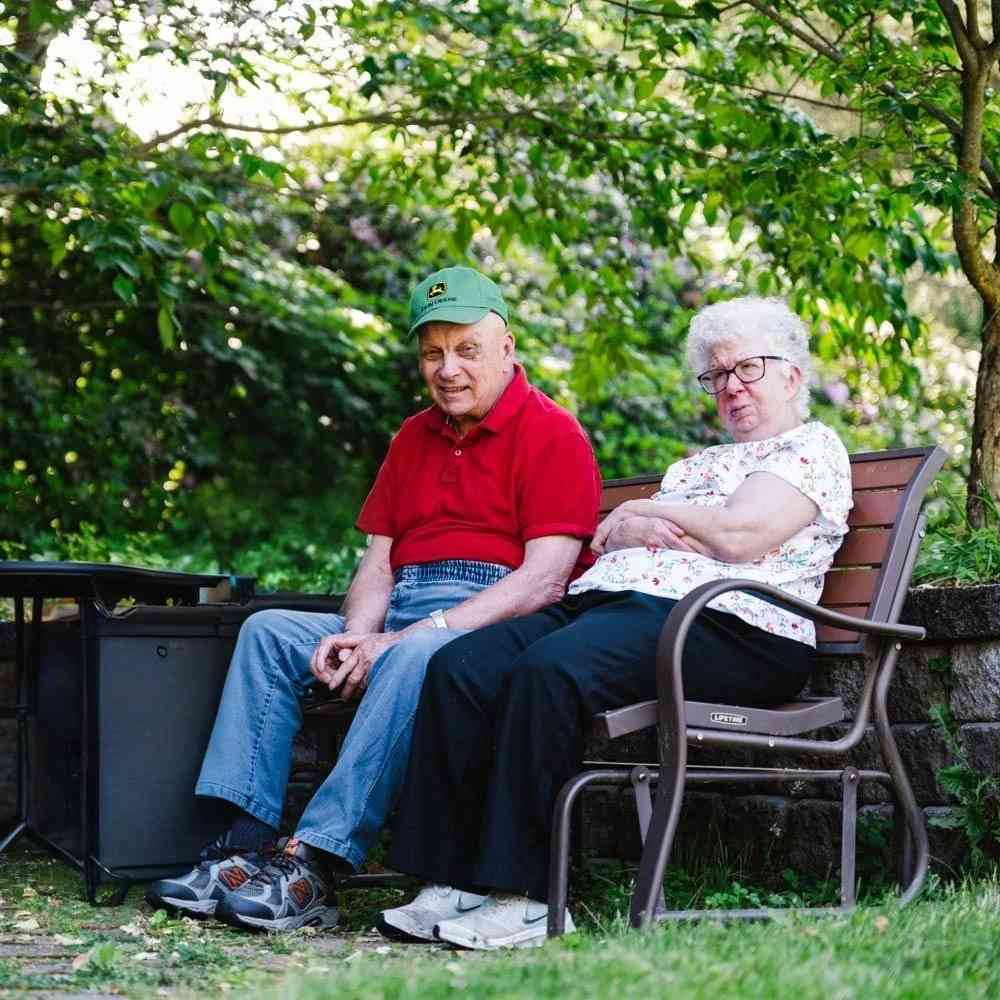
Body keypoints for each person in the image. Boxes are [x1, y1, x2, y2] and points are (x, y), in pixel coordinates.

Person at [378, 295, 853, 950]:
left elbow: (739, 535)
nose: (731, 387)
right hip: (621, 606)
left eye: (747, 369)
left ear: (792, 375)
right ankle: (451, 880)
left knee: (551, 670)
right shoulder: (701, 465)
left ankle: (527, 899)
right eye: (717, 375)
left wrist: (654, 515)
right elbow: (612, 536)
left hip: (734, 629)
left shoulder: (811, 449)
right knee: (462, 664)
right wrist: (645, 522)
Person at [145, 266, 602, 932]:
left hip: (488, 621)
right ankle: (242, 847)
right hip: (401, 609)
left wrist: (406, 637)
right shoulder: (414, 436)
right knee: (268, 632)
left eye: (466, 349)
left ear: (506, 348)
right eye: (432, 353)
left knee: (415, 656)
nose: (448, 369)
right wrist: (360, 632)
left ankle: (317, 863)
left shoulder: (553, 433)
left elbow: (544, 581)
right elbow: (379, 561)